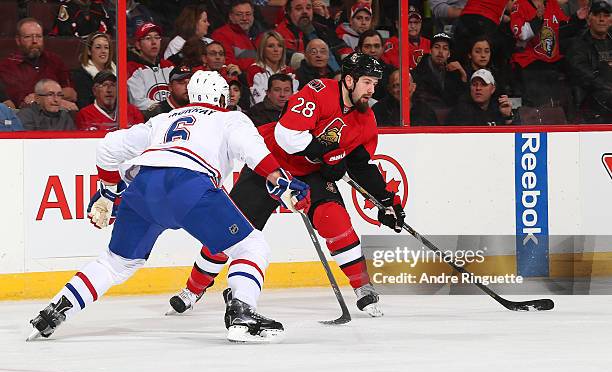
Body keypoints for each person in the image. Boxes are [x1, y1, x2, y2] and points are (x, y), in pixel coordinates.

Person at [27, 70, 311, 343]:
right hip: (190, 186)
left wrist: (109, 191)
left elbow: (108, 147)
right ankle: (242, 313)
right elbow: (253, 151)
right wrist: (280, 178)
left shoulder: (162, 119)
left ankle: (54, 310)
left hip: (143, 188)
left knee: (115, 262)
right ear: (222, 98)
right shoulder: (230, 118)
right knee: (251, 247)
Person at [168, 53, 405, 318]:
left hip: (310, 173)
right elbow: (287, 135)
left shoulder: (365, 119)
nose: (372, 90)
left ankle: (363, 287)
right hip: (270, 164)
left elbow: (360, 165)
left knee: (334, 218)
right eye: (367, 82)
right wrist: (324, 151)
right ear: (349, 80)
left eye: (375, 84)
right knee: (230, 229)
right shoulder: (318, 92)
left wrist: (386, 202)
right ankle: (193, 289)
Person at [510, 0, 586, 107]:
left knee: (563, 103)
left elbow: (562, 30)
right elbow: (521, 34)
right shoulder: (519, 5)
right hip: (529, 64)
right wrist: (537, 19)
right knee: (540, 106)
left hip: (553, 63)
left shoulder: (552, 3)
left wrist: (577, 19)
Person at [0, 18, 77, 110]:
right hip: (28, 118)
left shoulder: (55, 60)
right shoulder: (7, 66)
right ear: (18, 40)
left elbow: (71, 93)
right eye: (28, 37)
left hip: (58, 115)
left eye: (39, 36)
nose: (34, 41)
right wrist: (57, 97)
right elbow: (21, 101)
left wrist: (39, 97)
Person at [567, 0, 612, 123]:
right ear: (588, 19)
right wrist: (608, 86)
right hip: (590, 99)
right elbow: (584, 74)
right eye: (597, 15)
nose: (601, 19)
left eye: (606, 16)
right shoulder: (578, 44)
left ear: (611, 20)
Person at [276, 0, 351, 73]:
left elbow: (342, 46)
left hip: (340, 75)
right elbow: (288, 57)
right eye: (299, 8)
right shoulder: (281, 33)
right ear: (288, 12)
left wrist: (347, 57)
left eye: (308, 8)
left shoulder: (322, 28)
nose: (305, 12)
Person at [412, 32, 468, 109]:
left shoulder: (453, 72)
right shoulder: (417, 73)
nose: (441, 51)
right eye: (437, 47)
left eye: (445, 48)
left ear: (449, 54)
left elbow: (460, 99)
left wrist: (463, 74)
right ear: (430, 51)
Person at [127, 22, 174, 111]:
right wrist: (166, 107)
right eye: (148, 38)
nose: (153, 42)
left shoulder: (169, 66)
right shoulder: (131, 68)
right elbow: (138, 102)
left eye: (157, 37)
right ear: (138, 45)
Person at [76, 71, 143, 130]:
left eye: (113, 85)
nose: (109, 90)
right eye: (104, 85)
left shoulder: (133, 111)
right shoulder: (84, 115)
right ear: (94, 90)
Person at [210, 0, 266, 71]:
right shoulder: (221, 35)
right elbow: (227, 64)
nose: (244, 18)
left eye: (248, 14)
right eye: (239, 14)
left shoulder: (261, 35)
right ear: (230, 16)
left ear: (253, 16)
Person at [446, 69, 514, 125]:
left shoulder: (497, 108)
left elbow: (510, 138)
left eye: (483, 85)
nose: (478, 88)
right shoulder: (461, 111)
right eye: (474, 84)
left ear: (493, 89)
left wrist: (507, 117)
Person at [246, 30, 298, 105]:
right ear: (263, 50)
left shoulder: (289, 71)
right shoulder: (255, 70)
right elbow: (260, 101)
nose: (276, 50)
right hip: (263, 114)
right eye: (271, 46)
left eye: (279, 46)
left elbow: (295, 99)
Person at [72, 32, 116, 109]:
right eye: (98, 47)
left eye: (106, 47)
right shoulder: (80, 75)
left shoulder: (117, 73)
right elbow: (84, 104)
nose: (103, 51)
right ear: (89, 51)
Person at [356, 30, 394, 100]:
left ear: (383, 49)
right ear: (359, 50)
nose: (372, 50)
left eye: (376, 46)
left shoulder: (392, 72)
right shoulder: (351, 72)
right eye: (367, 46)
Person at [405, 6, 430, 70]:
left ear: (421, 24)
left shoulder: (429, 44)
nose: (413, 26)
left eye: (416, 22)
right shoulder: (394, 43)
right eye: (409, 22)